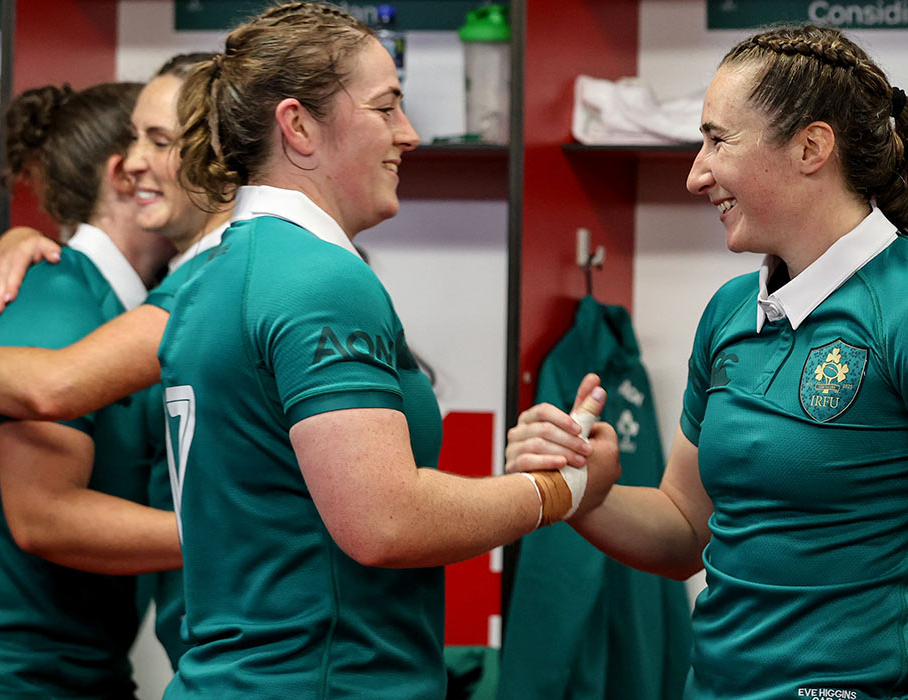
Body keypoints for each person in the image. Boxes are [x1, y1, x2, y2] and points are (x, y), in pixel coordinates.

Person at [506, 24, 908, 700]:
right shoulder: (731, 312)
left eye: (717, 140)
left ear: (812, 147)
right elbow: (683, 527)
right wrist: (580, 491)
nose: (697, 172)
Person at [157, 3, 610, 698]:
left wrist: (514, 480)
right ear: (299, 127)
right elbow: (385, 521)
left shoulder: (204, 276)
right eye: (387, 107)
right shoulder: (319, 279)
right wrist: (559, 491)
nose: (411, 133)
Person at [0, 53, 231, 670]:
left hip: (82, 667)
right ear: (124, 175)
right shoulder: (57, 293)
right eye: (141, 140)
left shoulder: (134, 307)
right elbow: (41, 516)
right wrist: (241, 534)